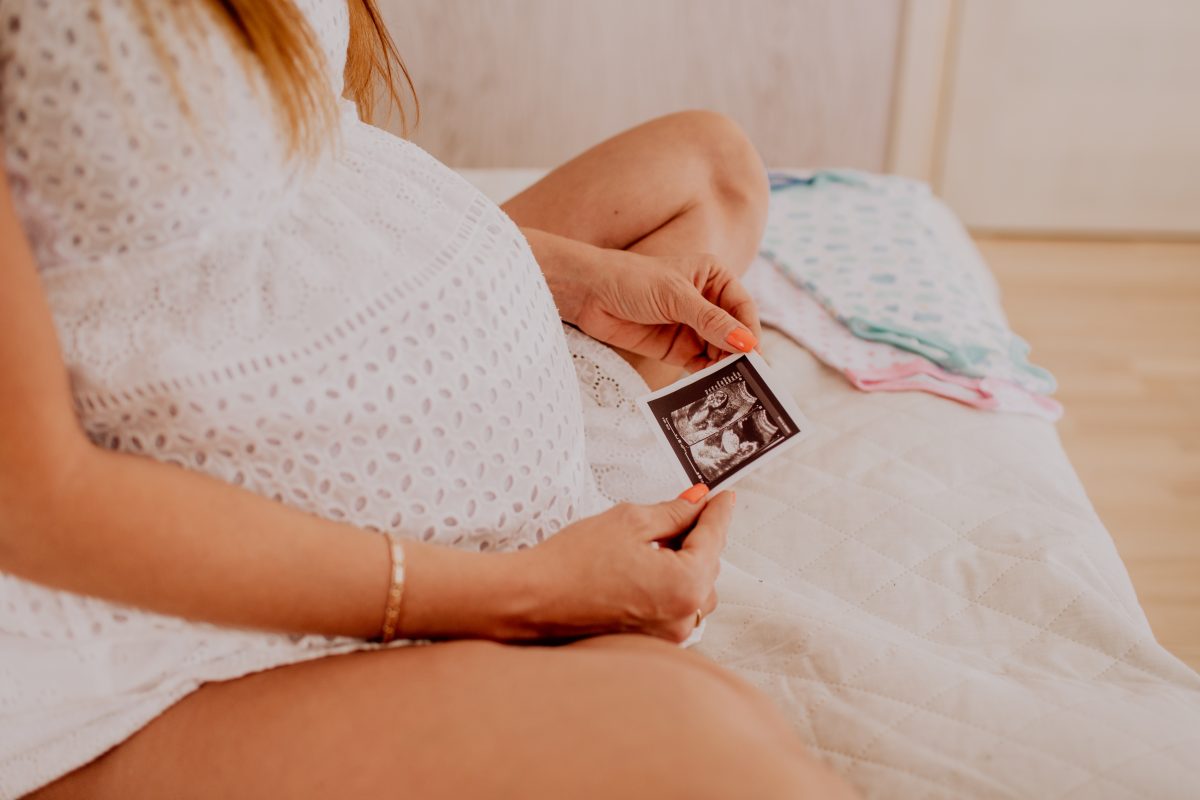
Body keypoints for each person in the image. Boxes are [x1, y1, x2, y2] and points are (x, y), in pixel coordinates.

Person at [0, 1, 857, 797]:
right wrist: (530, 593)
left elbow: (288, 164)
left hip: (279, 373)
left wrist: (555, 276)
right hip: (145, 567)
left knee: (709, 164)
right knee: (708, 745)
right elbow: (36, 503)